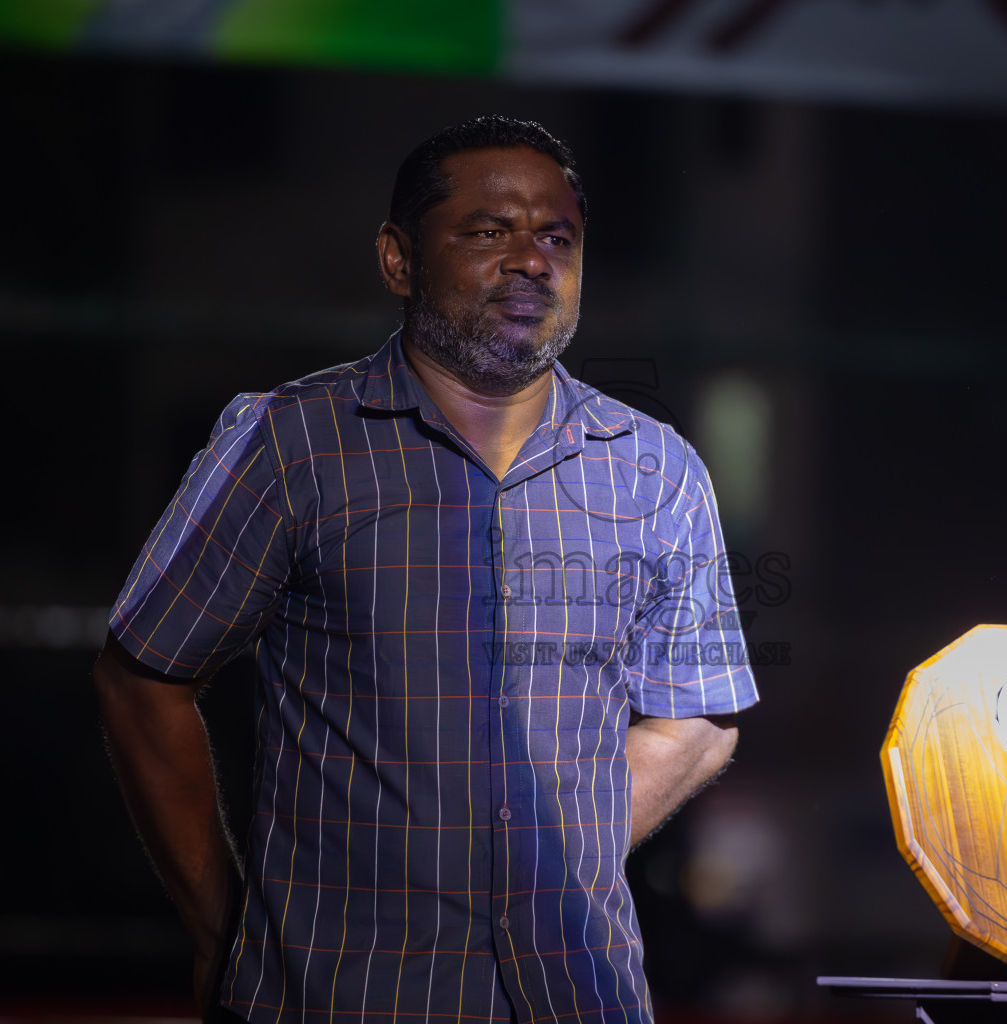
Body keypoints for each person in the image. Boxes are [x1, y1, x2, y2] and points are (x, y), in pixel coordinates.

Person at [93, 115, 759, 1023]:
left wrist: (549, 853)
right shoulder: (291, 444)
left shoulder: (659, 467)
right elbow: (144, 680)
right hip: (339, 998)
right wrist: (221, 928)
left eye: (556, 236)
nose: (532, 258)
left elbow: (698, 715)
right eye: (489, 231)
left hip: (578, 996)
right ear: (399, 260)